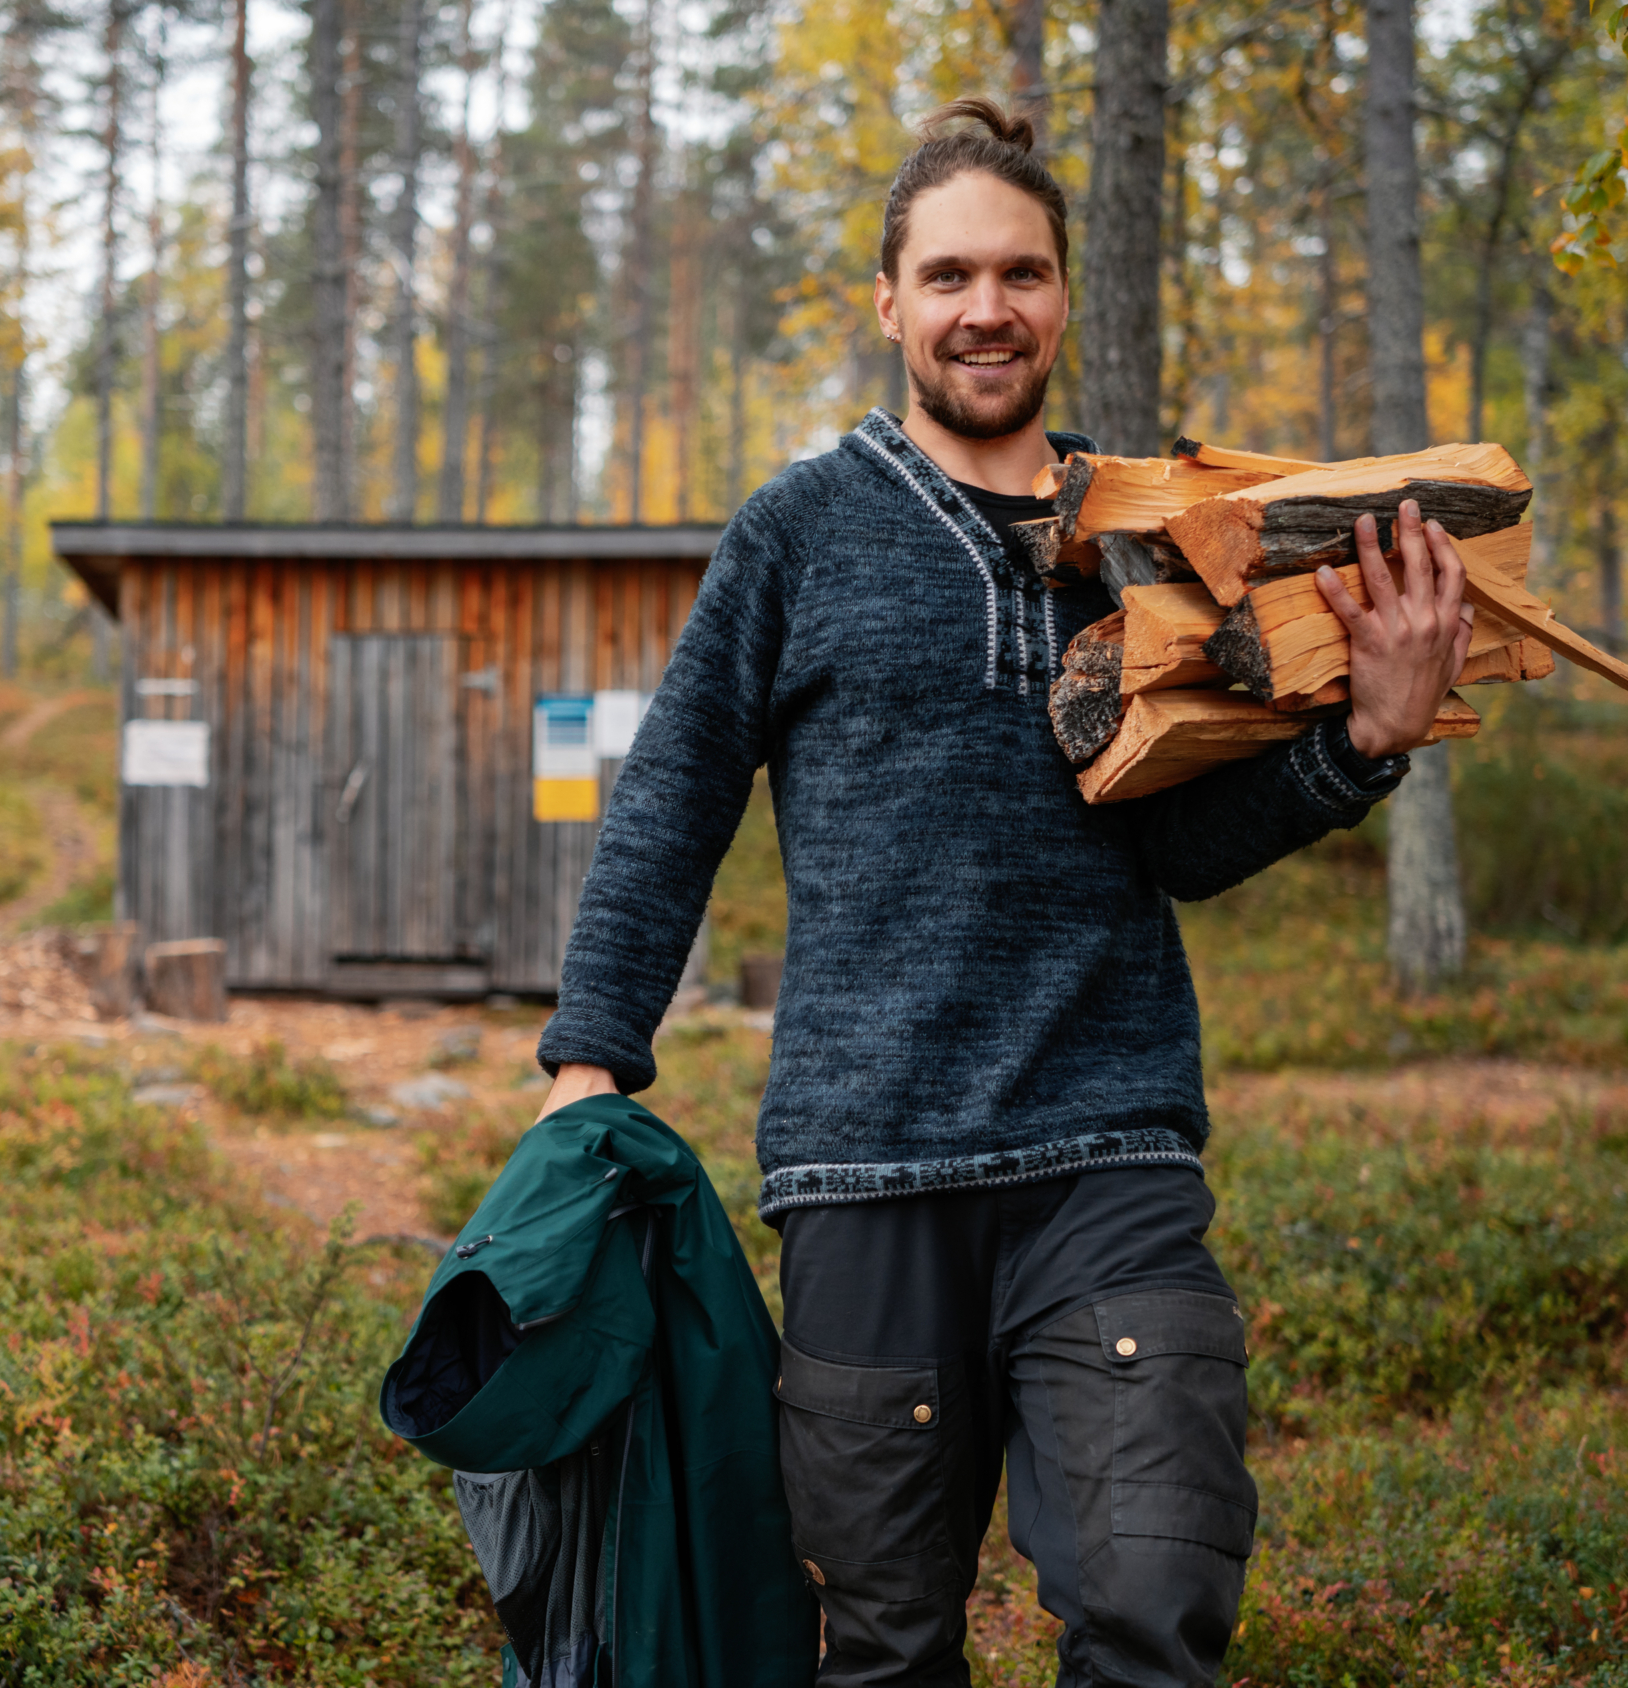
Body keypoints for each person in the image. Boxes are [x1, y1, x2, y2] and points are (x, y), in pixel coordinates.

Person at [529, 98, 1473, 1688]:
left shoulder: (1161, 538)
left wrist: (1365, 747)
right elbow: (675, 801)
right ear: (889, 301)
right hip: (864, 1170)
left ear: (1059, 296)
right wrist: (587, 1063)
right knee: (882, 1645)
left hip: (1109, 1155)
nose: (988, 310)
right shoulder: (799, 532)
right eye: (951, 275)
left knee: (1150, 1602)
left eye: (1021, 274)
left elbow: (1175, 846)